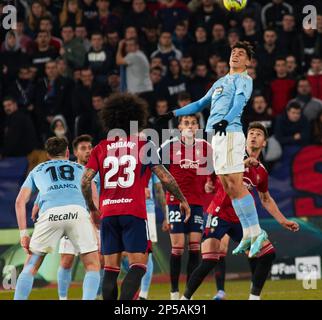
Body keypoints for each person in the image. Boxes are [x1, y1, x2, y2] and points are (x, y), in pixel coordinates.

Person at [159, 41, 267, 258]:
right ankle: (247, 233)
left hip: (230, 133)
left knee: (236, 183)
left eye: (241, 54)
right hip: (217, 136)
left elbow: (239, 103)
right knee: (228, 185)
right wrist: (174, 113)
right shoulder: (220, 81)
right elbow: (199, 104)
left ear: (248, 61)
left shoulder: (244, 80)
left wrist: (226, 121)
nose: (236, 55)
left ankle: (257, 233)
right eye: (233, 52)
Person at [81, 93, 190, 300]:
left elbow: (85, 181)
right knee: (139, 266)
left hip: (109, 213)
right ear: (137, 120)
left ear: (110, 120)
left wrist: (92, 209)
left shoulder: (100, 148)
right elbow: (165, 177)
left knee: (111, 271)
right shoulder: (144, 145)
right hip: (134, 212)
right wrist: (182, 199)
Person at [181, 122, 299, 301]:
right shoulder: (233, 156)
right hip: (219, 214)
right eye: (251, 133)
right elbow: (221, 170)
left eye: (259, 134)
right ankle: (184, 300)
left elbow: (265, 199)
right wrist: (240, 164)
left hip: (240, 220)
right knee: (209, 260)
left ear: (264, 143)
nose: (254, 136)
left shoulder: (261, 172)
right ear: (245, 139)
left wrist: (283, 220)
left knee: (268, 254)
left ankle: (254, 298)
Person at [14, 137, 101, 300]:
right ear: (68, 152)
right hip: (77, 213)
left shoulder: (38, 170)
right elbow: (93, 195)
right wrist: (94, 220)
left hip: (50, 214)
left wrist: (23, 234)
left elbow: (19, 201)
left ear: (48, 155)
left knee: (30, 267)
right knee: (92, 266)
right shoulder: (81, 168)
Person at [158, 113, 212, 300]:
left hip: (197, 202)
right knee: (178, 247)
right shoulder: (168, 146)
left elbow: (212, 173)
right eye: (185, 123)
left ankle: (188, 294)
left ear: (198, 127)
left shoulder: (206, 147)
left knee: (195, 246)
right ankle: (173, 292)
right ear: (179, 127)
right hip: (175, 202)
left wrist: (209, 183)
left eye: (193, 123)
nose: (189, 126)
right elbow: (158, 172)